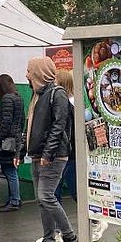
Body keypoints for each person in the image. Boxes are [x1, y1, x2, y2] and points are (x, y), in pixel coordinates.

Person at [23, 57, 78, 242]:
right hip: (39, 155)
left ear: (38, 72)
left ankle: (70, 237)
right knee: (42, 199)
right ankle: (48, 241)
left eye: (29, 70)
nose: (26, 74)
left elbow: (59, 126)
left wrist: (48, 153)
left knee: (47, 196)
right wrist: (23, 150)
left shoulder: (57, 94)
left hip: (53, 156)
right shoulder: (37, 94)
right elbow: (29, 127)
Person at [0, 74, 25, 212]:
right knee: (12, 170)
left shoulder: (6, 99)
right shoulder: (18, 98)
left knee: (9, 171)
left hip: (7, 140)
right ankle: (15, 198)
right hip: (16, 138)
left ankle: (14, 200)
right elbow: (21, 119)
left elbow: (5, 122)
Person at [53, 69, 78, 202]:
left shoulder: (69, 103)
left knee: (74, 191)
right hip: (68, 151)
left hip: (68, 152)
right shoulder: (75, 101)